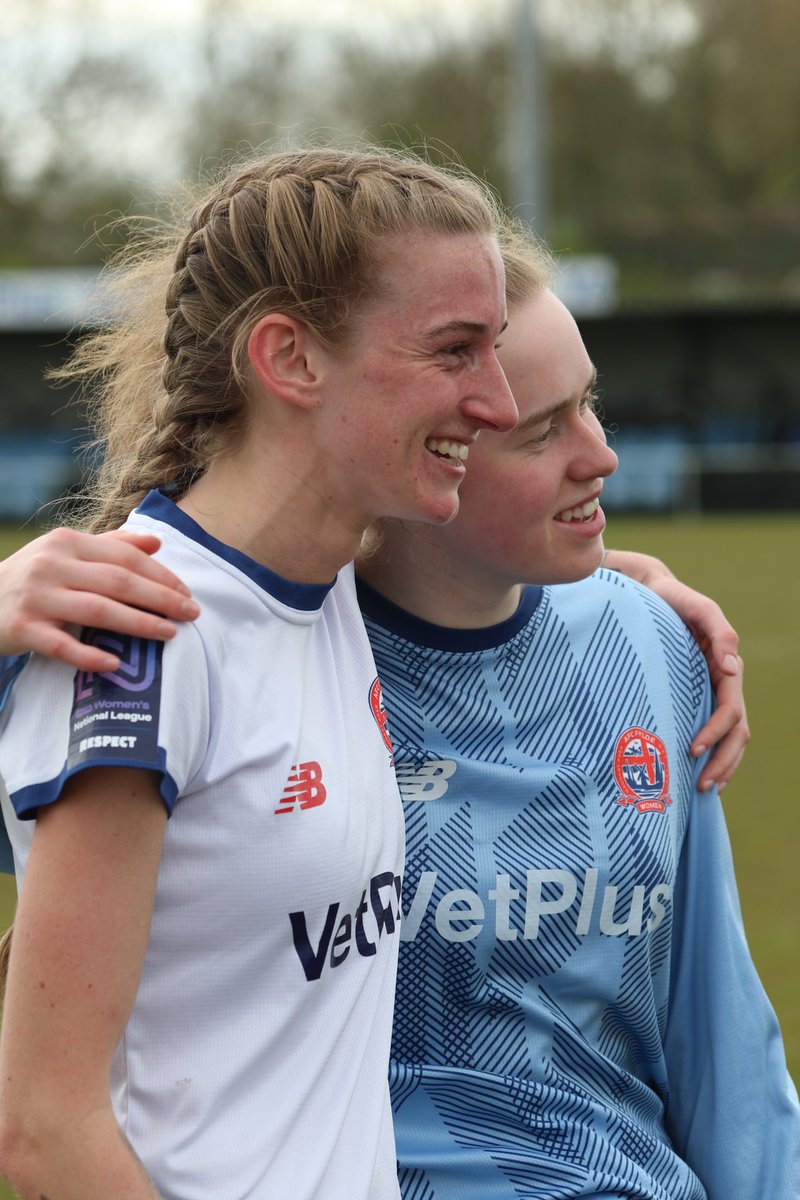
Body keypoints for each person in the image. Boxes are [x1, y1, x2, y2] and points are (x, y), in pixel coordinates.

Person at [0, 231, 789, 1200]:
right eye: (538, 431)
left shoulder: (648, 645)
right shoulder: (242, 653)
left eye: (585, 402)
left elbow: (720, 1039)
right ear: (432, 454)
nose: (602, 456)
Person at [0, 144, 523, 1200]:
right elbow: (43, 1129)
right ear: (288, 358)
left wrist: (648, 602)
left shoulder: (326, 576)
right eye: (455, 351)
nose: (499, 403)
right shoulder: (139, 637)